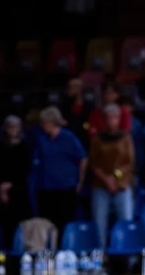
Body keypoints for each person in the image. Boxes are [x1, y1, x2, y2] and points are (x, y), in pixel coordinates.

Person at [32, 106, 88, 234]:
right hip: (46, 189)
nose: (42, 125)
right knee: (46, 224)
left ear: (51, 122)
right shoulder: (41, 139)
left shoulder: (68, 137)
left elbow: (83, 158)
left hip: (65, 188)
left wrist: (80, 181)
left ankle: (65, 251)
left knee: (65, 224)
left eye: (44, 122)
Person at [88, 104, 136, 246]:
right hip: (100, 186)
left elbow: (129, 162)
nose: (111, 121)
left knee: (126, 223)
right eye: (108, 118)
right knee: (99, 226)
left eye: (114, 118)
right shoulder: (97, 139)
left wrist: (115, 178)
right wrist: (106, 179)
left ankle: (128, 260)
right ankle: (100, 259)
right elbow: (93, 163)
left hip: (121, 186)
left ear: (119, 119)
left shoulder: (125, 138)